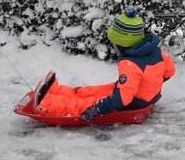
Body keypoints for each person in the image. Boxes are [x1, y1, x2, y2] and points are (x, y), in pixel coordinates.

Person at [34, 8, 176, 121]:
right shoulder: (157, 52)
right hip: (141, 95)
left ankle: (49, 105)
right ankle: (59, 92)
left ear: (123, 43)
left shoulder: (130, 64)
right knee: (96, 91)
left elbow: (122, 99)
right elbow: (170, 72)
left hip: (133, 101)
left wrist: (97, 109)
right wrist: (151, 83)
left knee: (89, 103)